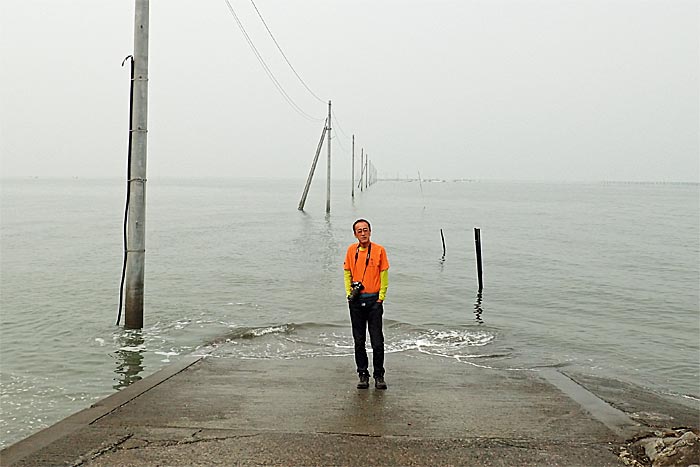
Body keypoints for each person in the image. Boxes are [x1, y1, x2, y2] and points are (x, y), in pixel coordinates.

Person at [343, 219, 390, 390]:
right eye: (359, 231)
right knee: (359, 340)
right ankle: (363, 374)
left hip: (374, 301)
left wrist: (381, 298)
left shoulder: (379, 250)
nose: (363, 233)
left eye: (365, 230)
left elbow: (384, 275)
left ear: (370, 231)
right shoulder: (350, 250)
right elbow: (347, 272)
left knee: (377, 341)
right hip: (356, 301)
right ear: (355, 234)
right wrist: (349, 293)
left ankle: (379, 375)